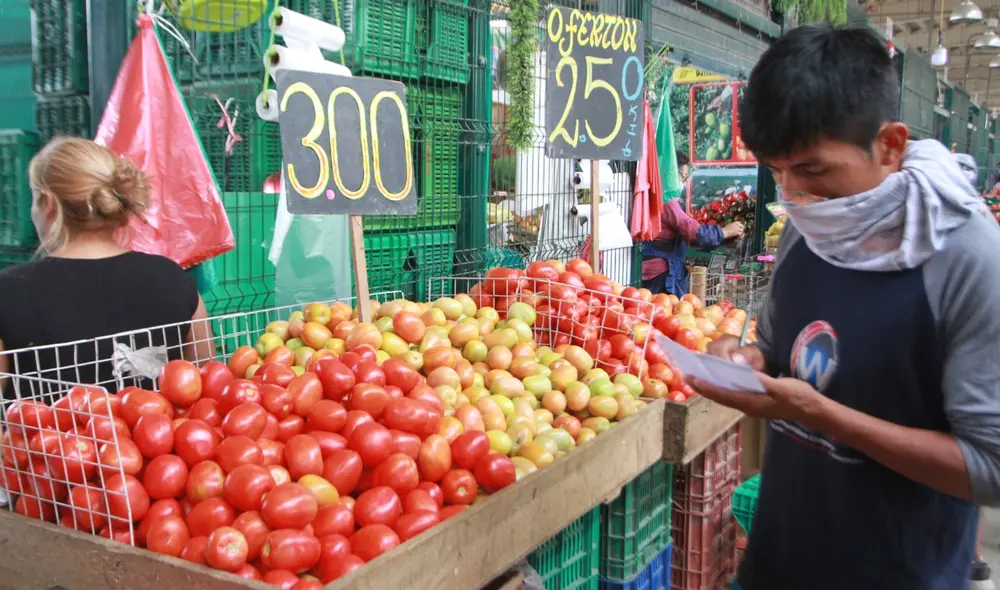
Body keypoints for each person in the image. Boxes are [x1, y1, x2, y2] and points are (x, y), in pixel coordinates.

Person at [695, 25, 1000, 590]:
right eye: (777, 171)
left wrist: (826, 416)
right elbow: (772, 351)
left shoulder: (967, 260)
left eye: (812, 170)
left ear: (890, 145)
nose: (793, 194)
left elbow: (990, 469)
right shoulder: (807, 231)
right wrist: (741, 362)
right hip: (774, 568)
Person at [0, 137, 214, 394]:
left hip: (41, 435)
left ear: (48, 204)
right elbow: (205, 390)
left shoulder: (8, 291)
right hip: (151, 431)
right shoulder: (176, 281)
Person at [641, 150, 744, 295]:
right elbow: (693, 231)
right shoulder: (666, 200)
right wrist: (724, 232)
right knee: (663, 310)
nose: (682, 183)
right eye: (681, 177)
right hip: (660, 274)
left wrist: (722, 238)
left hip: (652, 270)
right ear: (669, 173)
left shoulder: (652, 193)